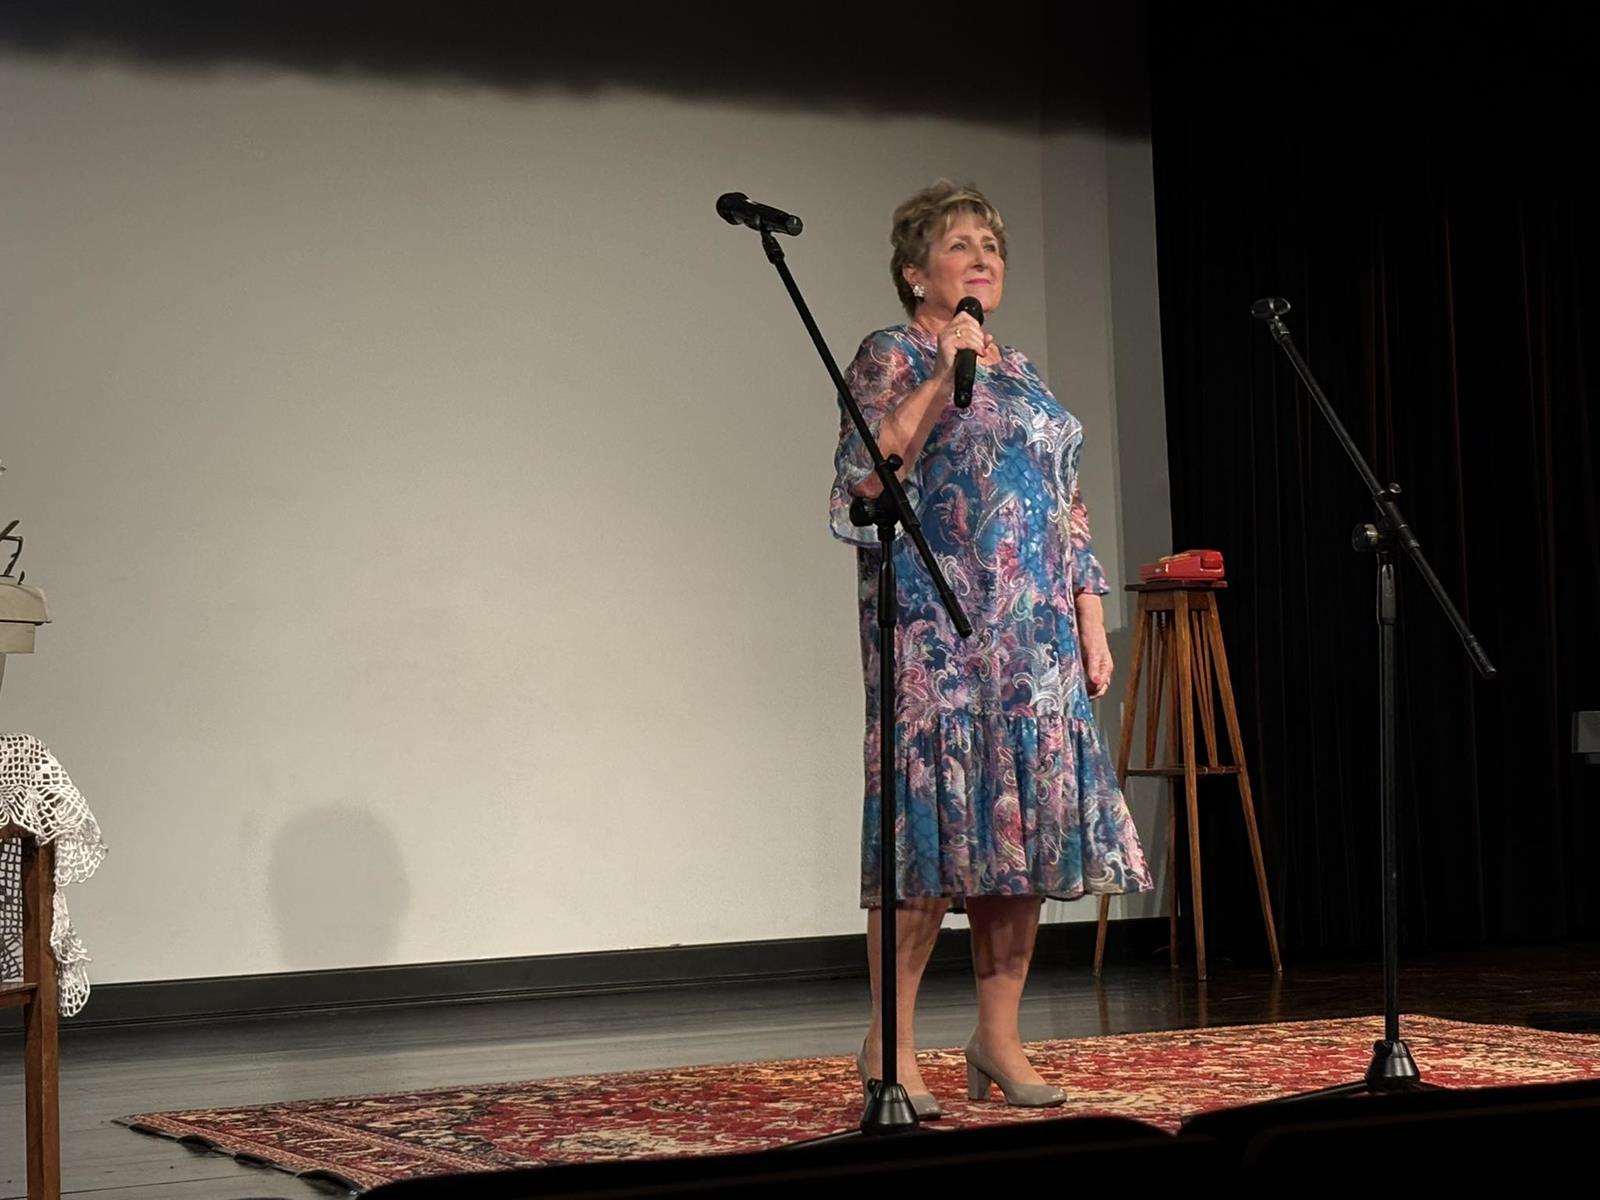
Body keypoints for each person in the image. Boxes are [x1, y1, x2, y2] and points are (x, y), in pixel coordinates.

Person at [829, 179, 1151, 1117]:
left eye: (992, 246)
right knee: (928, 843)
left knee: (1019, 842)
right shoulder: (892, 354)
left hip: (1035, 643)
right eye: (960, 245)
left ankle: (997, 1039)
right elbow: (866, 481)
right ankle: (890, 1043)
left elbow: (1064, 500)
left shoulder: (1025, 371)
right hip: (937, 638)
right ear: (913, 272)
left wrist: (1088, 616)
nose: (983, 259)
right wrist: (941, 376)